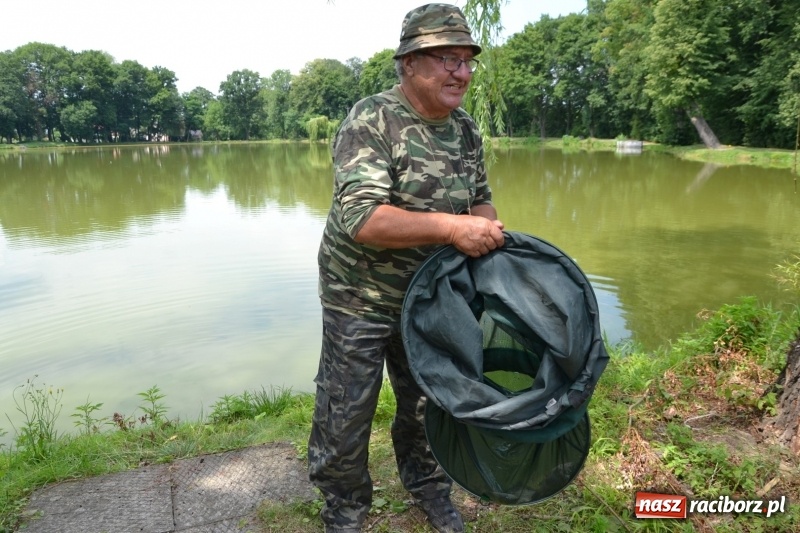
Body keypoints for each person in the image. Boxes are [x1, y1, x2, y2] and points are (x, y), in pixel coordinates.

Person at [308, 4, 504, 532]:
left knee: (428, 403)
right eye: (446, 59)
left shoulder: (465, 131)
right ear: (410, 64)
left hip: (431, 295)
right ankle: (344, 508)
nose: (460, 73)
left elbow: (481, 200)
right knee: (347, 411)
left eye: (466, 61)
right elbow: (363, 219)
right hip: (360, 295)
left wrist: (485, 227)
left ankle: (429, 488)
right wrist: (450, 228)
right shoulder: (372, 119)